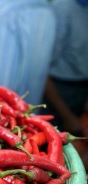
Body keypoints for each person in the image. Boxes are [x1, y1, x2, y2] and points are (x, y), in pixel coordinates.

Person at [40, 0, 88, 136]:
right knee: (51, 140)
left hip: (82, 89)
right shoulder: (62, 8)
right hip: (60, 91)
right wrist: (68, 117)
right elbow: (43, 70)